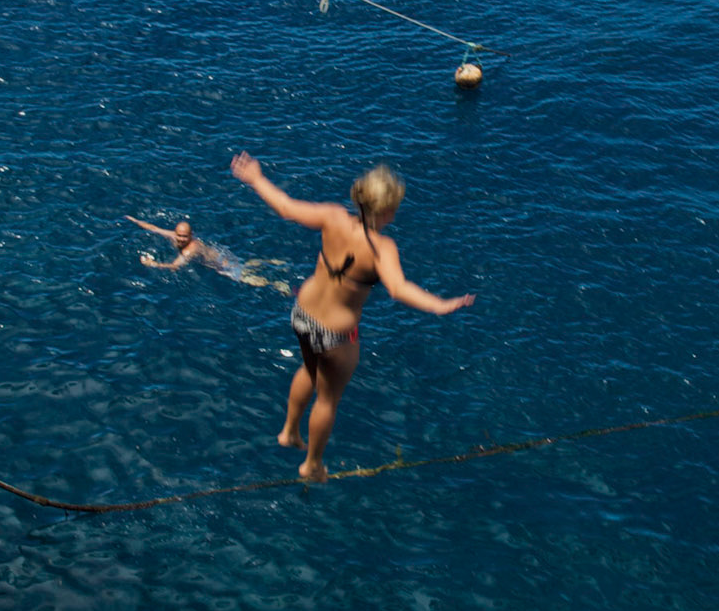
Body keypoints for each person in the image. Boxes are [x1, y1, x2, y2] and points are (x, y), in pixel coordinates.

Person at [230, 153, 474, 482]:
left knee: (308, 366)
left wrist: (257, 178)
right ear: (387, 210)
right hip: (335, 334)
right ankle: (312, 464)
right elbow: (398, 289)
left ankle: (288, 431)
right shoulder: (383, 248)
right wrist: (439, 305)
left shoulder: (333, 217)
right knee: (328, 398)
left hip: (302, 315)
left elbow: (286, 207)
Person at [124, 214, 241, 276]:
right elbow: (154, 228)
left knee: (246, 277)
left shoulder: (190, 250)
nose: (181, 239)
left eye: (185, 236)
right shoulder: (173, 235)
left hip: (221, 265)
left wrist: (153, 264)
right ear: (175, 233)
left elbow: (175, 266)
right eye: (179, 235)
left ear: (191, 235)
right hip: (218, 257)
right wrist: (135, 221)